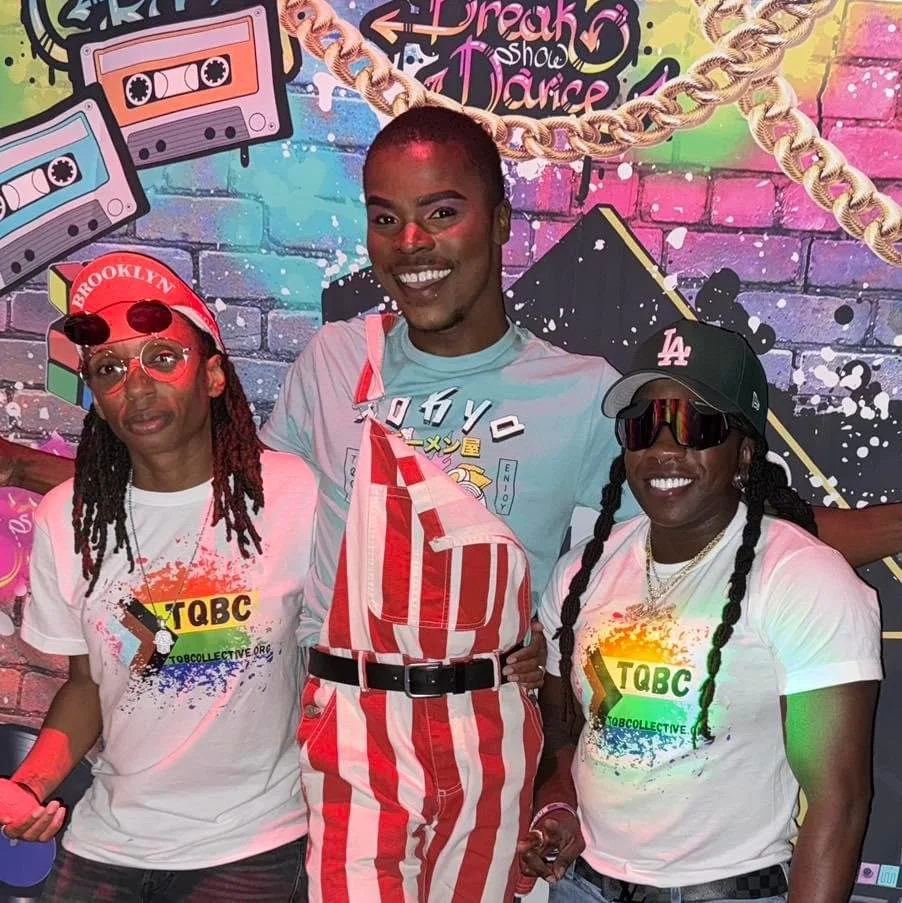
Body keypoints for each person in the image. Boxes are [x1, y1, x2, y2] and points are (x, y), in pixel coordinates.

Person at [0, 105, 899, 899]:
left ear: (500, 221)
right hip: (346, 725)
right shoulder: (332, 365)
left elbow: (703, 540)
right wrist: (40, 474)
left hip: (492, 731)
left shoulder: (584, 393)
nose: (413, 244)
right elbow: (221, 497)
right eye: (387, 219)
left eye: (442, 213)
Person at [520, 320, 883, 903]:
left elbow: (838, 806)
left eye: (695, 425)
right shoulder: (582, 572)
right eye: (642, 426)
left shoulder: (801, 579)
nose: (664, 448)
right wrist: (559, 800)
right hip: (583, 889)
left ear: (743, 451)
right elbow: (565, 728)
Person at [0, 251, 317, 902]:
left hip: (250, 847)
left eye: (162, 358)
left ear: (215, 378)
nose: (136, 385)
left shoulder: (294, 496)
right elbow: (87, 686)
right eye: (111, 369)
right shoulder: (68, 521)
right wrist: (30, 784)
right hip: (106, 843)